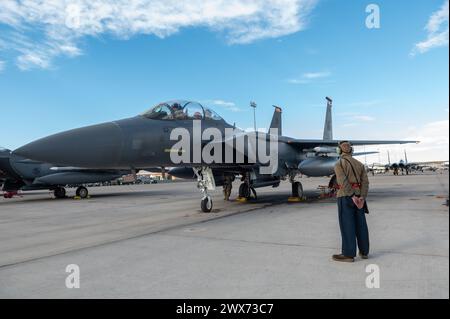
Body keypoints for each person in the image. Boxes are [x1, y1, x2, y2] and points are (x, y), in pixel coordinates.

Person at [332, 141, 370, 263]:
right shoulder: (360, 164)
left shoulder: (339, 164)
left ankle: (348, 254)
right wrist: (362, 197)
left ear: (339, 150)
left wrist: (352, 195)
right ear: (351, 150)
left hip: (345, 197)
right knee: (361, 225)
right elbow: (365, 183)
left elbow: (342, 181)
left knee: (347, 225)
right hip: (360, 198)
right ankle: (364, 252)